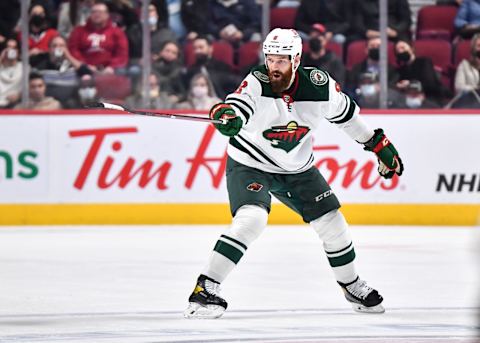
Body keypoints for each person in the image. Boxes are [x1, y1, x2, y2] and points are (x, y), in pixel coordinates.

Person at [184, 28, 404, 319]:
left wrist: (378, 145)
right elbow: (237, 105)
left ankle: (352, 286)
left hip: (297, 168)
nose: (274, 67)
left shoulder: (319, 86)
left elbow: (349, 119)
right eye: (270, 60)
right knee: (252, 218)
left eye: (281, 61)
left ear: (296, 59)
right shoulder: (257, 81)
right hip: (251, 162)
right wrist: (227, 115)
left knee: (334, 224)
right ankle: (205, 289)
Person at [68, 2, 129, 75]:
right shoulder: (78, 31)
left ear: (107, 15)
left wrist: (111, 67)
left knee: (123, 71)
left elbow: (122, 53)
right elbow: (73, 50)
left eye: (100, 12)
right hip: (84, 69)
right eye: (94, 12)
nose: (97, 14)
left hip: (111, 70)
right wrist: (85, 65)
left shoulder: (117, 32)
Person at [394, 40, 451, 106]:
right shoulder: (400, 70)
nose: (400, 51)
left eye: (403, 48)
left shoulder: (424, 62)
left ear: (411, 49)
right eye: (398, 50)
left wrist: (410, 84)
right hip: (410, 101)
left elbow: (430, 84)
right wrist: (398, 86)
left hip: (431, 97)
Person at [0, 38, 22, 109]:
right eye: (8, 47)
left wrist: (19, 95)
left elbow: (29, 86)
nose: (11, 50)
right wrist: (1, 58)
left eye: (14, 48)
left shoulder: (25, 67)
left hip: (16, 104)